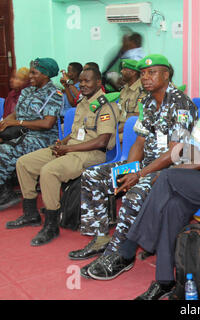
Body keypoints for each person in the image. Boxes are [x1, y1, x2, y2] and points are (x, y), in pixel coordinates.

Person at [86, 56, 200, 301]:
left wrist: (198, 164)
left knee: (167, 177)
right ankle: (164, 281)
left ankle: (129, 248)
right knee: (173, 206)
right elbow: (194, 142)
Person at [69, 54, 197, 277]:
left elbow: (176, 152)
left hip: (168, 171)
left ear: (166, 75)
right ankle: (100, 238)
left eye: (152, 72)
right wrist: (128, 171)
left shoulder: (182, 104)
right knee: (92, 176)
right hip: (144, 166)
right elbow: (139, 140)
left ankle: (119, 255)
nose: (145, 77)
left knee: (135, 194)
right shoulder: (147, 102)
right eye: (144, 73)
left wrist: (139, 175)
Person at [6, 67, 120, 247]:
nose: (82, 84)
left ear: (99, 83)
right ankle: (31, 214)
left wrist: (68, 149)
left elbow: (102, 141)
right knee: (24, 162)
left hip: (92, 153)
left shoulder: (106, 105)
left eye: (87, 81)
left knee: (49, 171)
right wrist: (62, 143)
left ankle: (51, 225)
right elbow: (77, 132)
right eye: (81, 81)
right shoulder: (83, 102)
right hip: (72, 148)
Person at [0, 58, 63, 211]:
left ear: (46, 75)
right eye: (30, 72)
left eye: (35, 73)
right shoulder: (27, 91)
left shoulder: (54, 93)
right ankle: (5, 188)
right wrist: (4, 124)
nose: (30, 76)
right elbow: (16, 113)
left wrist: (18, 123)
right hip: (20, 133)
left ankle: (4, 192)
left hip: (42, 137)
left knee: (4, 152)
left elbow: (47, 123)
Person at [116, 59, 146, 142]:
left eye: (125, 69)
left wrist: (116, 132)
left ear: (133, 73)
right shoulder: (124, 89)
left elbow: (137, 117)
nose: (121, 71)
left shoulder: (142, 91)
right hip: (120, 127)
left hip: (131, 129)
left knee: (112, 140)